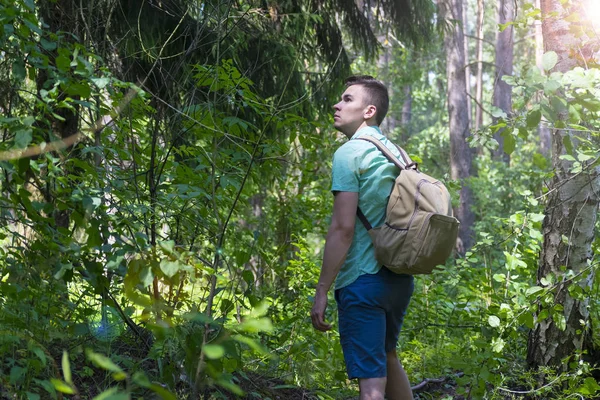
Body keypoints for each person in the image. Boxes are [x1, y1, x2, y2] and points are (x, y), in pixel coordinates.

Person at [311, 75, 414, 400]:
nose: (336, 105)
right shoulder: (398, 154)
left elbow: (342, 230)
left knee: (371, 388)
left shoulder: (349, 153)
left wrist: (323, 289)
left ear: (369, 111)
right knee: (388, 356)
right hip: (398, 279)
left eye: (347, 99)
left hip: (362, 281)